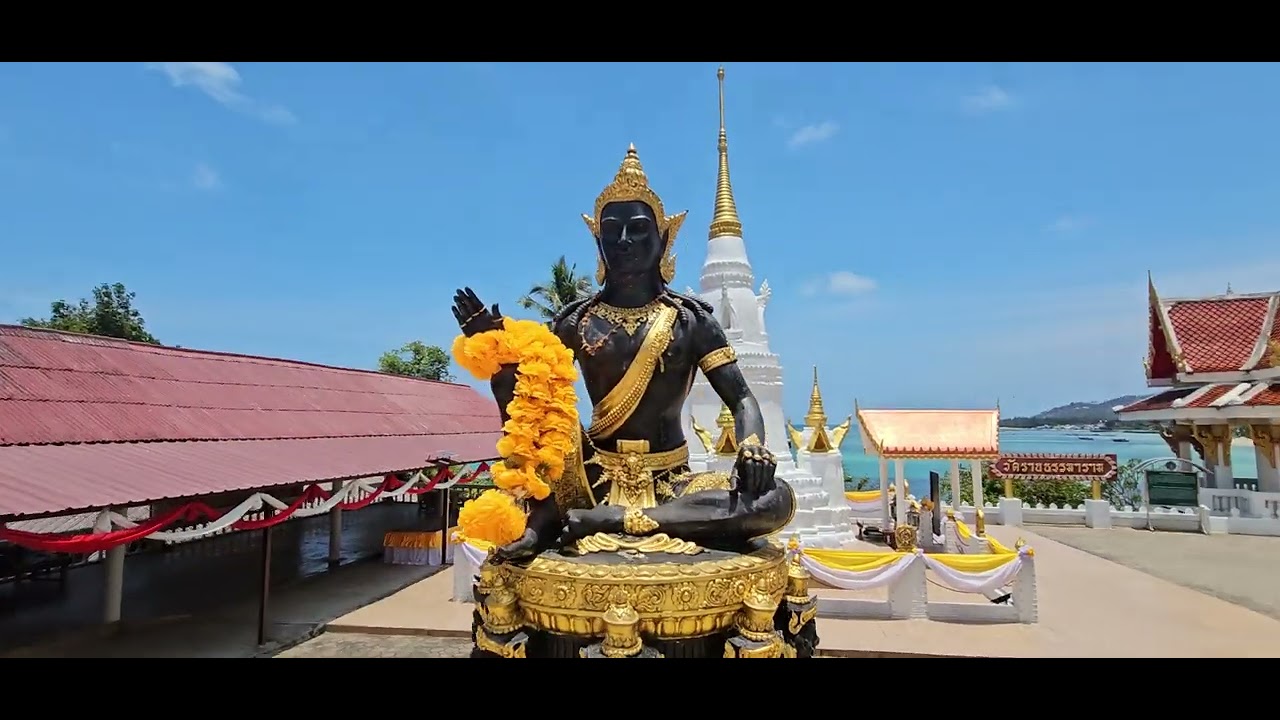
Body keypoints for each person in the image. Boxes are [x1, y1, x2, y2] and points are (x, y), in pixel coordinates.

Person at [450, 144, 795, 560]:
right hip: (591, 475)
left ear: (663, 239)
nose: (625, 240)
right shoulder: (576, 321)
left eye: (638, 229)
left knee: (775, 499)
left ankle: (616, 520)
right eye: (612, 230)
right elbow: (530, 394)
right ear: (598, 241)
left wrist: (753, 445)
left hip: (671, 483)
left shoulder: (690, 321)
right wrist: (496, 346)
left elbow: (740, 398)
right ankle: (544, 520)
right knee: (515, 380)